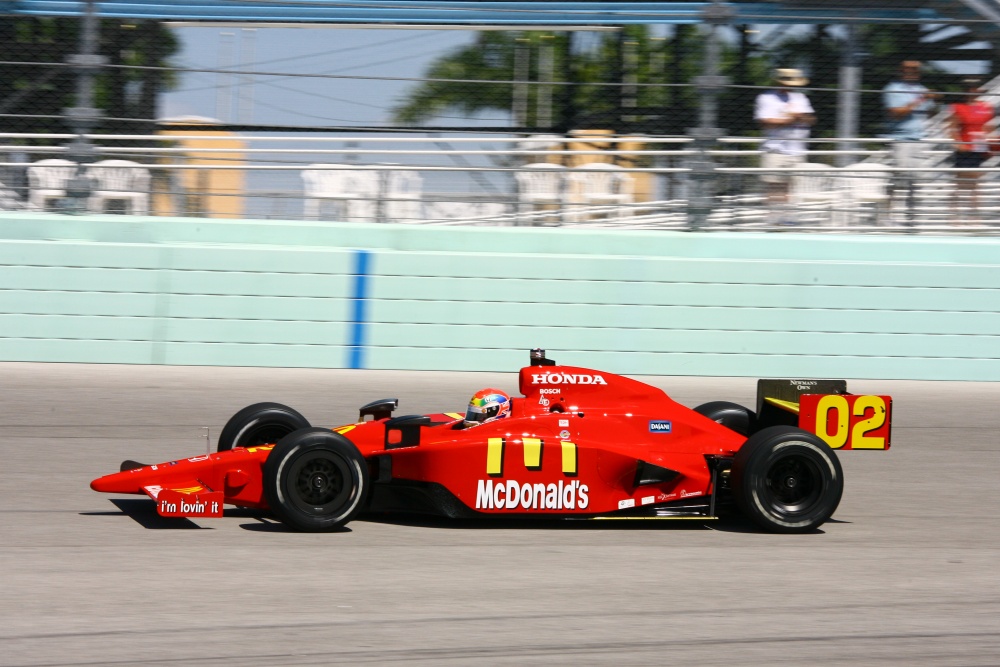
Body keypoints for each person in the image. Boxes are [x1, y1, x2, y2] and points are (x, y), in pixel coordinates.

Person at [754, 68, 816, 221]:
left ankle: (789, 218)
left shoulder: (801, 98)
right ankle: (775, 220)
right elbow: (765, 122)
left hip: (798, 150)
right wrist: (789, 120)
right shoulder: (767, 98)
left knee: (794, 187)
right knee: (775, 186)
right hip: (777, 149)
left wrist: (801, 117)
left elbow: (812, 120)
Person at [883, 60, 938, 221]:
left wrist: (934, 100)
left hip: (919, 139)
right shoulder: (893, 89)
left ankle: (911, 217)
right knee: (900, 177)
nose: (912, 71)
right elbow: (895, 113)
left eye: (915, 69)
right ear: (901, 70)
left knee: (916, 180)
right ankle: (887, 212)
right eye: (908, 69)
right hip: (901, 139)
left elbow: (930, 113)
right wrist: (920, 100)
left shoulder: (921, 89)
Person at [947, 77, 995, 220]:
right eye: (969, 88)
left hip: (979, 148)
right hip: (965, 149)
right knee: (961, 184)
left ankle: (974, 217)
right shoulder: (958, 107)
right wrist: (958, 143)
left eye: (974, 87)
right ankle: (954, 216)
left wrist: (989, 141)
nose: (972, 90)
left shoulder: (985, 107)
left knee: (975, 184)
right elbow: (952, 128)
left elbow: (988, 127)